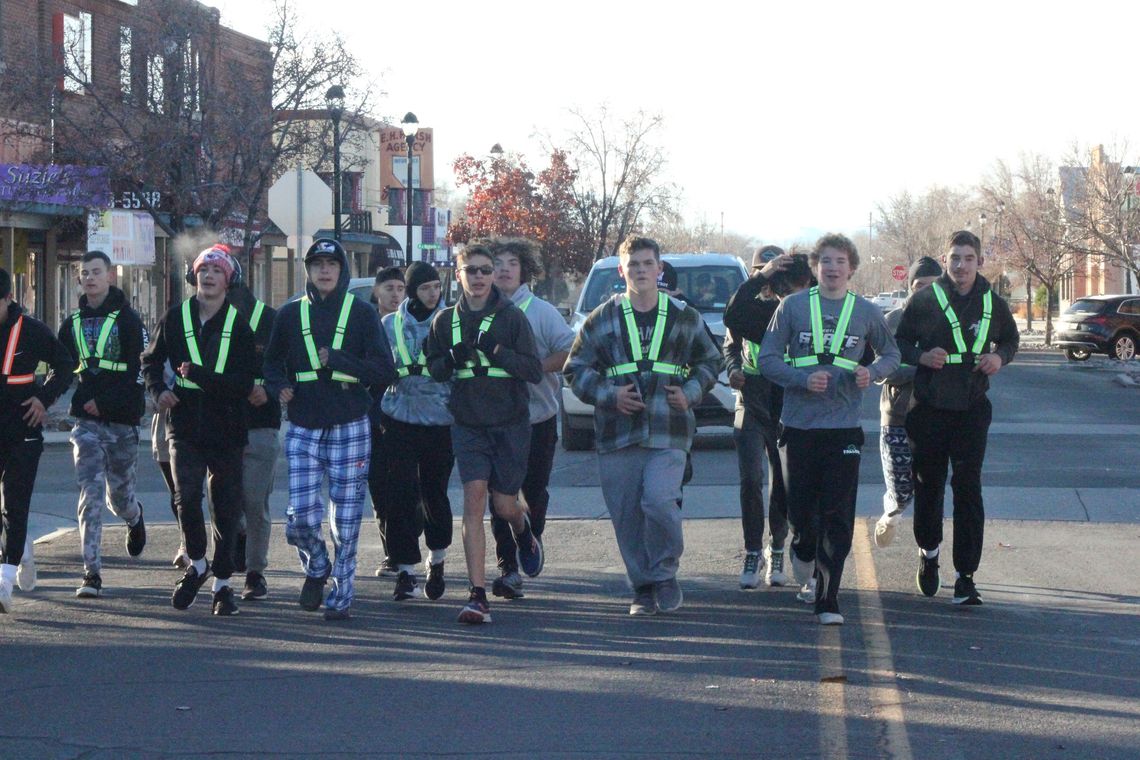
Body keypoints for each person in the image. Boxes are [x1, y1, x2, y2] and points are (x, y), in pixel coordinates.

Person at [564, 235, 720, 616]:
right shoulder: (603, 318)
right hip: (618, 431)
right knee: (627, 513)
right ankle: (644, 586)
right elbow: (575, 369)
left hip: (670, 427)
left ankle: (665, 574)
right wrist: (609, 395)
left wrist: (692, 391)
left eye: (647, 263)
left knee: (659, 501)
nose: (641, 270)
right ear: (622, 271)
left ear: (659, 268)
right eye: (633, 264)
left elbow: (710, 361)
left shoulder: (683, 315)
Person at [756, 234, 899, 625]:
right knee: (802, 514)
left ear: (851, 268)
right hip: (799, 426)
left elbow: (892, 355)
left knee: (838, 514)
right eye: (825, 262)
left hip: (843, 428)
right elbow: (767, 359)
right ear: (816, 268)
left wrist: (872, 372)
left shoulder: (867, 312)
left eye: (840, 262)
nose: (832, 268)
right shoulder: (792, 308)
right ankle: (801, 552)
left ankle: (828, 598)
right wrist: (801, 379)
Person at [263, 238, 395, 621]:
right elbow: (271, 364)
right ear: (308, 270)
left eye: (331, 264)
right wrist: (278, 385)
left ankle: (342, 594)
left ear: (342, 270)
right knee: (300, 518)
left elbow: (385, 371)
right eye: (317, 263)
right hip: (304, 423)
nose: (324, 270)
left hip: (350, 422)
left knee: (347, 519)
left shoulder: (362, 314)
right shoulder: (288, 315)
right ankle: (317, 566)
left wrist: (338, 360)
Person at [894, 231, 1019, 605]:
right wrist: (920, 356)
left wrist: (1000, 358)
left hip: (971, 410)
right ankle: (929, 554)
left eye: (968, 258)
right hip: (928, 410)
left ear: (980, 262)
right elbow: (898, 342)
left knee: (968, 490)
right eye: (955, 258)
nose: (961, 266)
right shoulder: (924, 301)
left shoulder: (993, 303)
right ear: (945, 260)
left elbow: (1010, 341)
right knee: (929, 488)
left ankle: (966, 577)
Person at [424, 241, 543, 624]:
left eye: (485, 270)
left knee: (504, 504)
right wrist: (450, 359)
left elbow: (533, 370)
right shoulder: (444, 321)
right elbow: (435, 368)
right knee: (473, 498)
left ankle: (523, 531)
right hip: (468, 423)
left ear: (493, 275)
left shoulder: (511, 318)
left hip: (509, 423)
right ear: (457, 275)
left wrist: (496, 350)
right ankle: (477, 595)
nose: (478, 277)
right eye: (471, 270)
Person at [141, 246, 257, 615]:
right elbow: (150, 360)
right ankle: (197, 563)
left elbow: (244, 384)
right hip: (185, 424)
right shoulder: (174, 318)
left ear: (228, 280)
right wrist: (158, 391)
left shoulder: (238, 325)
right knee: (186, 497)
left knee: (225, 508)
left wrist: (200, 375)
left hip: (227, 425)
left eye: (216, 271)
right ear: (194, 277)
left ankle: (223, 585)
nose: (208, 276)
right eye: (202, 270)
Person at [487, 237, 575, 600]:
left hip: (537, 418)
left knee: (532, 491)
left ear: (524, 270)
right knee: (499, 495)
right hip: (492, 420)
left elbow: (570, 350)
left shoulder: (541, 311)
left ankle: (530, 538)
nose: (504, 269)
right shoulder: (478, 309)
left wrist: (533, 368)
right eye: (497, 263)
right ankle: (508, 568)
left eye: (512, 262)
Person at [58, 250, 148, 598]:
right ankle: (91, 573)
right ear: (79, 279)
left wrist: (107, 403)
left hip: (122, 424)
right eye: (85, 273)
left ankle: (134, 517)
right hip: (85, 426)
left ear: (110, 276)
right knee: (90, 496)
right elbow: (58, 365)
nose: (90, 278)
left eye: (96, 272)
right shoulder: (72, 324)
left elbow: (139, 373)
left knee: (119, 498)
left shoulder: (129, 322)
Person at [722, 246, 807, 589]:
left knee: (782, 483)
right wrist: (733, 368)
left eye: (777, 274)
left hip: (783, 398)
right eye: (764, 271)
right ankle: (752, 550)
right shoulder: (747, 306)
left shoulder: (790, 307)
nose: (772, 280)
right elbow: (731, 339)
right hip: (750, 397)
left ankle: (777, 548)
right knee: (750, 480)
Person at [378, 261, 454, 602]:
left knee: (434, 493)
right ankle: (405, 570)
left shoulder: (451, 321)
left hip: (440, 420)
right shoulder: (389, 324)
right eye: (425, 288)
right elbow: (377, 366)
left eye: (436, 287)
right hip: (399, 418)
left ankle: (436, 560)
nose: (432, 294)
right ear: (411, 291)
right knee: (400, 495)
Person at [0, 268, 73, 613]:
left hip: (22, 432)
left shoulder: (30, 330)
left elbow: (65, 363)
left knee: (16, 502)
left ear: (8, 299)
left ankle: (4, 578)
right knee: (7, 513)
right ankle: (21, 545)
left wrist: (44, 399)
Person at [222, 252, 281, 601]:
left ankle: (255, 573)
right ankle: (228, 560)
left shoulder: (270, 320)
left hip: (261, 424)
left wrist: (270, 391)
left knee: (255, 501)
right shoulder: (200, 319)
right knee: (223, 503)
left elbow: (286, 367)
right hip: (219, 425)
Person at [873, 256, 942, 549]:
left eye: (933, 285)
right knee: (902, 490)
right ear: (910, 288)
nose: (925, 291)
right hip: (898, 417)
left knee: (931, 492)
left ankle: (929, 553)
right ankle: (891, 511)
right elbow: (881, 370)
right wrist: (923, 367)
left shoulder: (953, 322)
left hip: (938, 417)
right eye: (919, 285)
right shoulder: (893, 321)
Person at [369, 265, 405, 575]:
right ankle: (392, 554)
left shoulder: (410, 325)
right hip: (372, 417)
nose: (395, 294)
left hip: (407, 418)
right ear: (376, 291)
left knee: (408, 489)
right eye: (389, 288)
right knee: (380, 489)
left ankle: (405, 548)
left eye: (400, 288)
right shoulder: (366, 324)